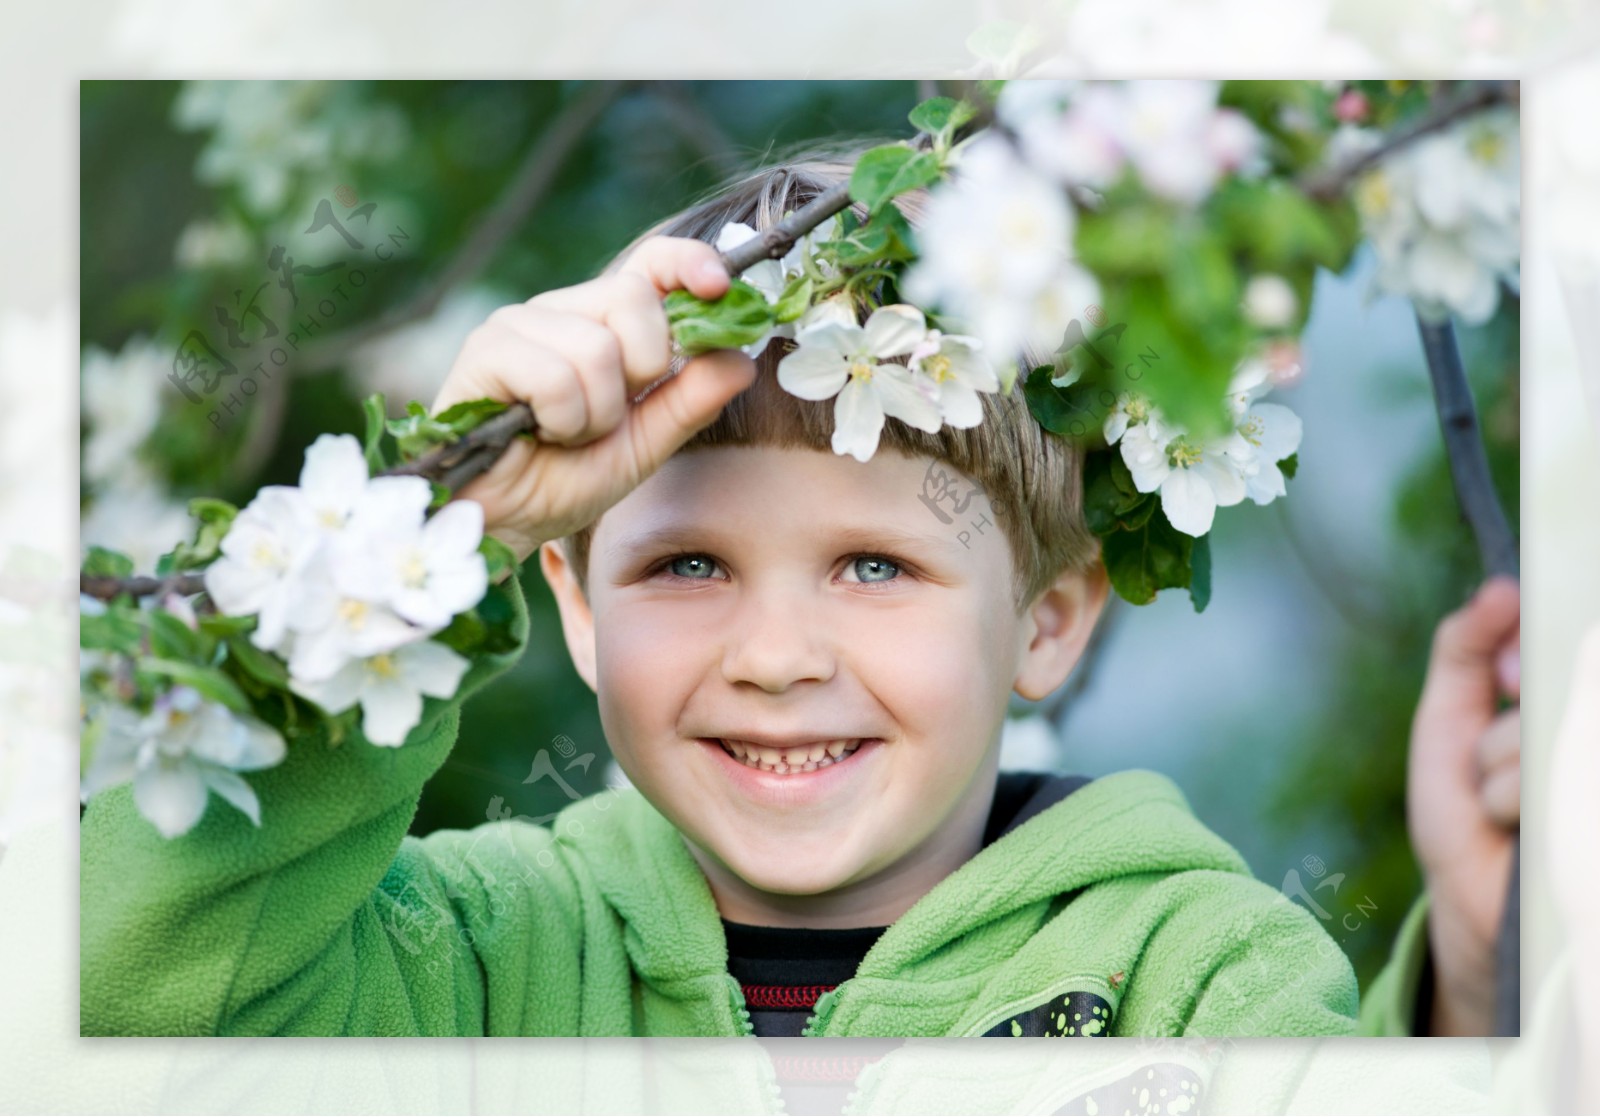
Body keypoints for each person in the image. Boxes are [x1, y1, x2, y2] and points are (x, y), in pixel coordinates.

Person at [78, 154, 1519, 1039]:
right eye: (687, 564)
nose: (774, 656)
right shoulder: (471, 955)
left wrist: (1476, 969)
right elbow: (117, 1002)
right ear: (568, 598)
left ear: (1049, 618)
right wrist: (427, 542)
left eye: (877, 565)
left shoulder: (1197, 975)